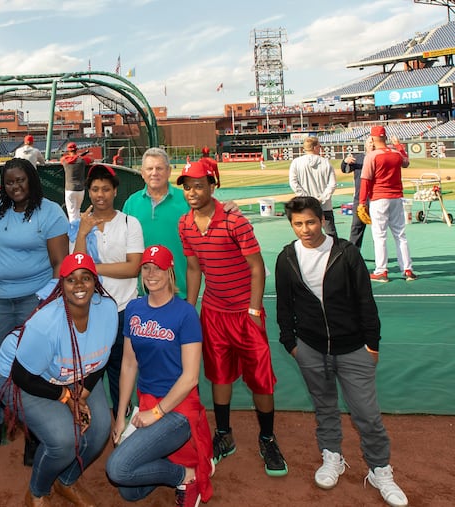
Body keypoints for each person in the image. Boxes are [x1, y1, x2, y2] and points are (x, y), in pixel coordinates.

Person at [276, 196, 409, 507]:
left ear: (322, 220)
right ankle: (332, 455)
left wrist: (371, 344)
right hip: (309, 348)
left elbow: (365, 300)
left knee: (367, 415)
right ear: (292, 225)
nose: (305, 229)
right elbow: (285, 307)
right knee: (324, 408)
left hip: (353, 348)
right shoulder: (286, 258)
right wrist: (291, 344)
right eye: (298, 224)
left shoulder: (346, 252)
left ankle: (379, 469)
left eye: (310, 222)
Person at [178, 161, 288, 477]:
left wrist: (254, 311)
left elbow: (256, 267)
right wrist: (190, 305)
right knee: (219, 376)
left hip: (245, 313)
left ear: (213, 185)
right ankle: (224, 434)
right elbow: (195, 268)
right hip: (213, 313)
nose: (192, 192)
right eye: (187, 186)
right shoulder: (185, 224)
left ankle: (267, 438)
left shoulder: (235, 221)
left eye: (199, 185)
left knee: (261, 379)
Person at [0, 157, 69, 462]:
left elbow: (60, 263)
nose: (15, 187)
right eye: (9, 182)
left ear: (32, 181)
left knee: (31, 367)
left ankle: (33, 433)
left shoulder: (50, 211)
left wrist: (48, 304)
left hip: (33, 300)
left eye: (20, 180)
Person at [0, 253, 117, 507]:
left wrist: (80, 397)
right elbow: (22, 375)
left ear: (96, 282)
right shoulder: (46, 322)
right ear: (61, 285)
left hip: (74, 372)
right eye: (71, 280)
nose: (80, 285)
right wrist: (66, 398)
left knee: (100, 428)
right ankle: (38, 491)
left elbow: (100, 361)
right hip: (24, 377)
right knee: (64, 440)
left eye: (86, 278)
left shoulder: (108, 310)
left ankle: (66, 480)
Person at [106, 245, 214, 507]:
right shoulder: (134, 308)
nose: (151, 273)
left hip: (178, 408)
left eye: (158, 267)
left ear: (170, 271)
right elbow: (129, 364)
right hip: (146, 401)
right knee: (129, 491)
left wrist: (156, 413)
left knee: (118, 470)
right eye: (146, 267)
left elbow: (190, 377)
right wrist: (120, 417)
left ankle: (186, 476)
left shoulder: (185, 313)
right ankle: (171, 459)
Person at [69, 164, 143, 419]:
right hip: (90, 311)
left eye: (106, 189)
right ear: (88, 191)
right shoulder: (79, 225)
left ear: (114, 192)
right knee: (89, 369)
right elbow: (77, 268)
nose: (100, 194)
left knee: (120, 369)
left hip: (122, 310)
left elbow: (133, 268)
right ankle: (92, 418)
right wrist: (82, 232)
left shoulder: (128, 223)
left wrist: (94, 267)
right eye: (95, 189)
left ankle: (122, 417)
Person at [122, 147, 191, 299]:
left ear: (168, 171)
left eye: (159, 168)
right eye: (149, 168)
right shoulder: (131, 203)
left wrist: (226, 207)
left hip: (180, 292)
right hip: (142, 293)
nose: (154, 173)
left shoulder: (186, 200)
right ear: (142, 173)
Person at [358, 126, 416, 282]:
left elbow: (366, 181)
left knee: (380, 236)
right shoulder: (396, 153)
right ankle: (408, 269)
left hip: (379, 198)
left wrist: (362, 202)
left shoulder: (372, 156)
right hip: (396, 198)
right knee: (400, 235)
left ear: (372, 139)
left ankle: (381, 271)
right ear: (385, 137)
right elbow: (406, 162)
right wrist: (398, 145)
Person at [289, 136, 338, 238]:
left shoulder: (296, 162)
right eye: (319, 146)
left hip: (305, 205)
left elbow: (294, 183)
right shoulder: (325, 162)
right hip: (325, 205)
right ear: (315, 147)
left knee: (307, 235)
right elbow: (332, 184)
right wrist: (322, 198)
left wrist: (307, 198)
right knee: (331, 236)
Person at [341, 137, 375, 249]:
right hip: (360, 199)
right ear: (365, 145)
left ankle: (381, 256)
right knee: (356, 227)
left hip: (377, 198)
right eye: (370, 142)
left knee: (379, 229)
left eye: (374, 142)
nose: (372, 144)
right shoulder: (358, 158)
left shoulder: (381, 157)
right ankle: (353, 253)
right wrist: (345, 162)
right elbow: (345, 169)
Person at [60, 141, 93, 222]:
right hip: (80, 190)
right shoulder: (82, 160)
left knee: (71, 214)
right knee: (77, 211)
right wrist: (78, 157)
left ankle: (74, 232)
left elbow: (62, 159)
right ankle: (78, 230)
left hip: (69, 189)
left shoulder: (64, 160)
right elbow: (91, 160)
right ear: (76, 150)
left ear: (68, 151)